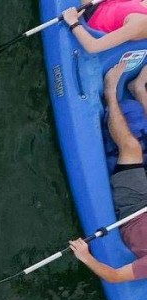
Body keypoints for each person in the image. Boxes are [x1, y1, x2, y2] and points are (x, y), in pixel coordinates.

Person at [70, 59, 147, 281]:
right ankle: (139, 90)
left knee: (131, 147)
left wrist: (85, 256)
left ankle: (110, 93)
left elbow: (113, 276)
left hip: (135, 207)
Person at [64, 1, 147, 54]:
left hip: (89, 18)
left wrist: (73, 21)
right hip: (98, 4)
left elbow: (93, 47)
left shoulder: (142, 22)